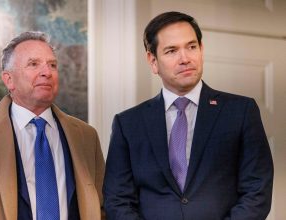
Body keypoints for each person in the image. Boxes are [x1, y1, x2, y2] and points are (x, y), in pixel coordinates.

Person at [103, 11, 273, 220]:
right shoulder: (128, 124)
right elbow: (117, 199)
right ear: (153, 60)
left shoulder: (241, 111)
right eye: (172, 51)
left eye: (191, 47)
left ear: (201, 50)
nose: (185, 59)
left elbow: (257, 190)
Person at [0, 31, 105, 220]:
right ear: (8, 79)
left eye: (52, 65)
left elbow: (102, 207)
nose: (47, 72)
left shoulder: (87, 136)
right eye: (33, 64)